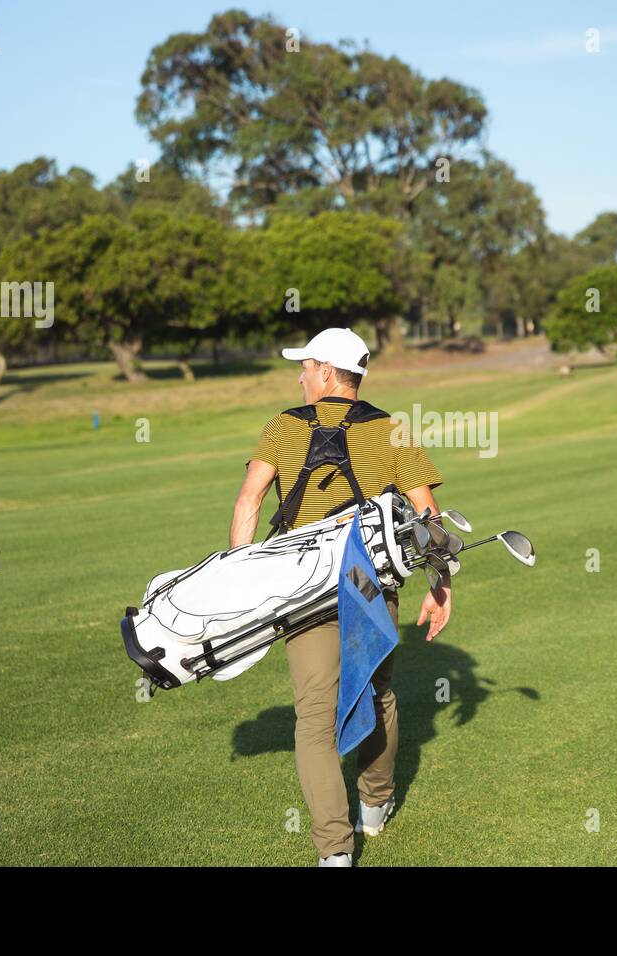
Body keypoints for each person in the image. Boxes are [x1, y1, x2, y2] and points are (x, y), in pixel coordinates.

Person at [230, 327, 452, 867]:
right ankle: (374, 805)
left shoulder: (282, 427)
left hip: (301, 587)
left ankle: (334, 852)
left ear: (327, 372)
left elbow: (249, 502)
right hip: (371, 584)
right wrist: (440, 585)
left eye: (305, 366)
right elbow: (428, 519)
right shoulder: (392, 429)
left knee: (313, 717)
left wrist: (245, 578)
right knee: (377, 694)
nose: (300, 375)